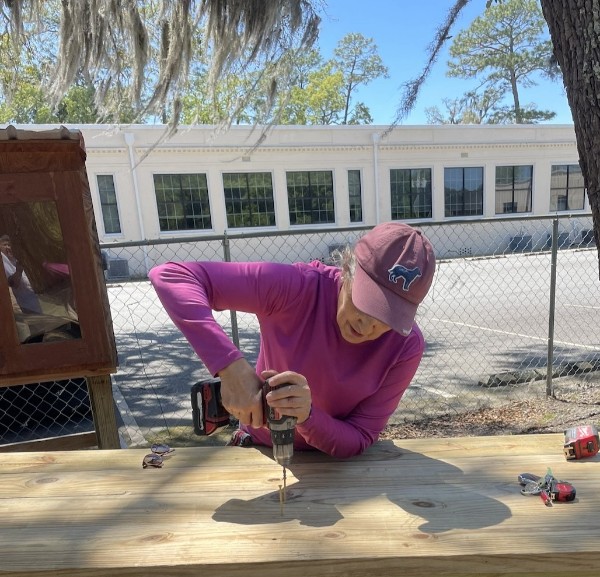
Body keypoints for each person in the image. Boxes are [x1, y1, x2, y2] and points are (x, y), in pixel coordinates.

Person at [149, 222, 435, 459]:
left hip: (334, 467)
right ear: (348, 268)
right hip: (259, 449)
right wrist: (230, 368)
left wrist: (307, 416)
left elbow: (360, 436)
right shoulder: (296, 288)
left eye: (386, 316)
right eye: (365, 302)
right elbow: (173, 276)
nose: (368, 324)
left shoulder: (406, 346)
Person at [0, 234, 42, 314]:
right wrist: (19, 270)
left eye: (9, 245)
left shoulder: (12, 259)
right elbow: (13, 284)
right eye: (5, 245)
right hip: (23, 302)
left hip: (31, 297)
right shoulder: (3, 263)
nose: (8, 247)